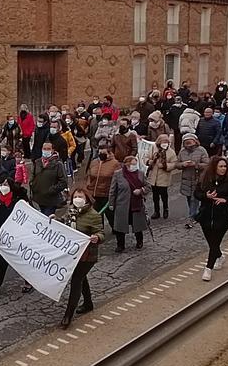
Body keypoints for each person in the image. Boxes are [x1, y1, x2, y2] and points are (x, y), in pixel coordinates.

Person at [59, 189, 106, 330]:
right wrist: (54, 219)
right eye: (75, 196)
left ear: (87, 199)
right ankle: (88, 303)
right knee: (81, 277)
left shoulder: (94, 215)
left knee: (76, 279)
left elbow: (100, 232)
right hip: (73, 254)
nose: (77, 198)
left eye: (81, 196)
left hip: (87, 255)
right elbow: (63, 221)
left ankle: (68, 315)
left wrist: (97, 237)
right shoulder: (71, 211)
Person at [194, 156, 228, 281]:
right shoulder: (204, 180)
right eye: (221, 166)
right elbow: (196, 194)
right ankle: (219, 256)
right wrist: (206, 196)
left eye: (225, 166)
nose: (223, 169)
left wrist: (225, 200)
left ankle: (208, 268)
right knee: (211, 242)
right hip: (206, 215)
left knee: (215, 242)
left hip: (222, 217)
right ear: (214, 167)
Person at [109, 155, 148, 252]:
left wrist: (141, 190)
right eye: (132, 164)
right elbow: (112, 190)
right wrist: (111, 203)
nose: (134, 166)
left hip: (136, 204)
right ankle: (120, 245)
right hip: (122, 205)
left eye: (136, 164)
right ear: (126, 164)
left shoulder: (141, 174)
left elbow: (148, 187)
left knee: (138, 225)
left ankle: (139, 241)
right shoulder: (118, 174)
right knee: (120, 226)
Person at [174, 133, 209, 227]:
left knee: (195, 198)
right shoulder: (182, 151)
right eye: (186, 142)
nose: (188, 144)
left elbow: (207, 164)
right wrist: (183, 164)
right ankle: (195, 214)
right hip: (186, 178)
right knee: (189, 198)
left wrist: (196, 164)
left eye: (190, 141)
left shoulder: (201, 150)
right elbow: (177, 164)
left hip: (198, 178)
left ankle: (192, 217)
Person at [30, 141, 68, 215]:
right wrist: (33, 187)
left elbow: (63, 182)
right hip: (39, 198)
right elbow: (32, 177)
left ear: (53, 150)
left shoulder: (58, 164)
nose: (46, 150)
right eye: (44, 148)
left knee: (47, 218)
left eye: (48, 149)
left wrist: (52, 190)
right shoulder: (37, 162)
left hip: (51, 200)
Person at [145, 135, 176, 220]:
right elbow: (146, 158)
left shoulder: (171, 152)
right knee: (155, 196)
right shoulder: (153, 148)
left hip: (164, 177)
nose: (164, 144)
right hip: (154, 176)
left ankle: (166, 209)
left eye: (166, 142)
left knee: (164, 195)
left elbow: (174, 164)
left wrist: (165, 166)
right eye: (163, 142)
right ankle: (156, 211)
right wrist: (149, 161)